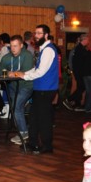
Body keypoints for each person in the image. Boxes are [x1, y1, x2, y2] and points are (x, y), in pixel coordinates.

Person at [13, 24, 59, 154]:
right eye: (35, 33)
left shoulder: (48, 50)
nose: (36, 36)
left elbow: (41, 72)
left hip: (46, 89)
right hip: (41, 88)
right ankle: (33, 142)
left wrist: (24, 76)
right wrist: (23, 73)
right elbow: (36, 68)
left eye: (39, 33)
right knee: (34, 116)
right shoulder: (43, 49)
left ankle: (47, 146)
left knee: (43, 118)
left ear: (46, 35)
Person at [0, 35, 33, 143]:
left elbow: (26, 72)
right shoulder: (7, 57)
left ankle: (23, 132)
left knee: (16, 107)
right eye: (11, 46)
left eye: (15, 46)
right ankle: (24, 130)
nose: (13, 48)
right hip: (12, 87)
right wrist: (8, 72)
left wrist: (14, 73)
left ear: (21, 45)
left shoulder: (27, 55)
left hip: (26, 86)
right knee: (16, 108)